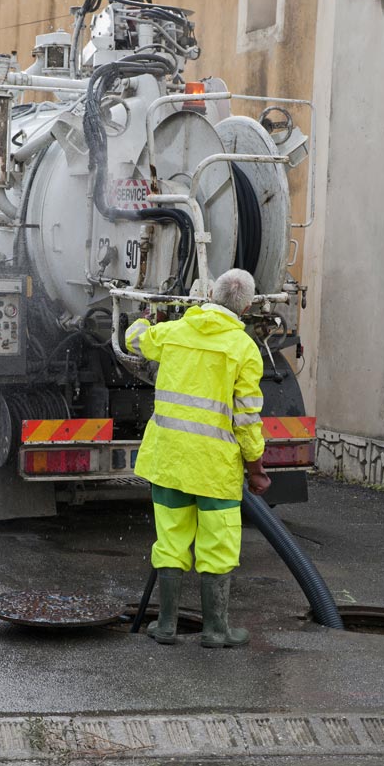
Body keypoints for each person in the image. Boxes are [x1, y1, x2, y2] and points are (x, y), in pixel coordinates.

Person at [125, 268, 271, 649]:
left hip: (170, 462)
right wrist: (256, 468)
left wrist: (148, 316)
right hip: (215, 469)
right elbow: (247, 419)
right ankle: (215, 631)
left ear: (208, 295)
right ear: (248, 306)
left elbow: (134, 339)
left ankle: (167, 626)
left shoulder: (174, 333)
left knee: (170, 541)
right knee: (217, 547)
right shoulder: (245, 351)